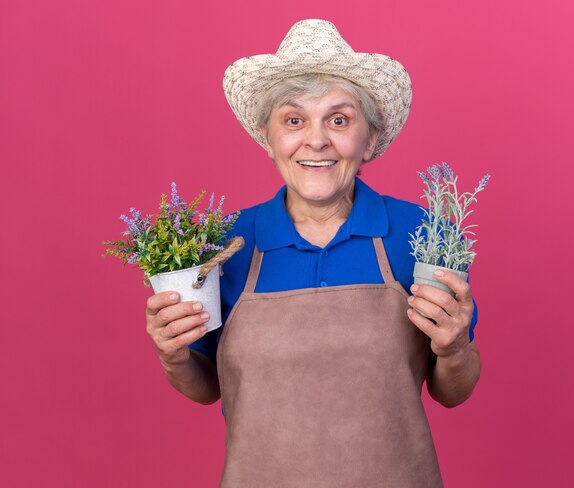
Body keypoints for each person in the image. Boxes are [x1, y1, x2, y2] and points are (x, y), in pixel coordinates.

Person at [145, 19, 481, 487]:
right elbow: (207, 388)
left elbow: (453, 391)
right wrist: (174, 357)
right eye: (294, 120)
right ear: (268, 138)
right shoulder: (223, 246)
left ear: (372, 139)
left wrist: (455, 347)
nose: (316, 140)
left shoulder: (421, 235)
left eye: (339, 120)